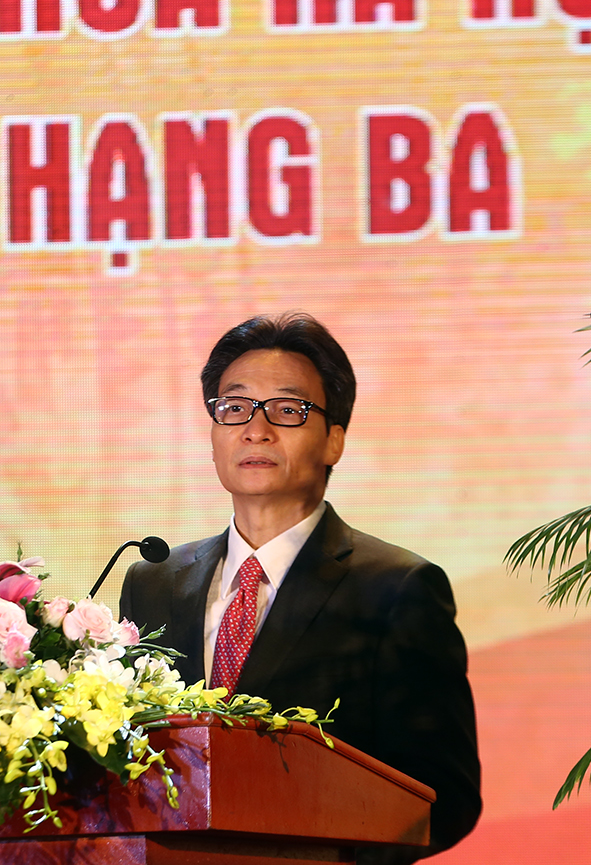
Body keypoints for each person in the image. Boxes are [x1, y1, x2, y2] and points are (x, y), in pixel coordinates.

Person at [120, 313, 481, 865]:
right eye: (234, 407)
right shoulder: (153, 581)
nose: (256, 430)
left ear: (334, 440)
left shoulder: (397, 588)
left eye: (288, 410)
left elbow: (444, 796)